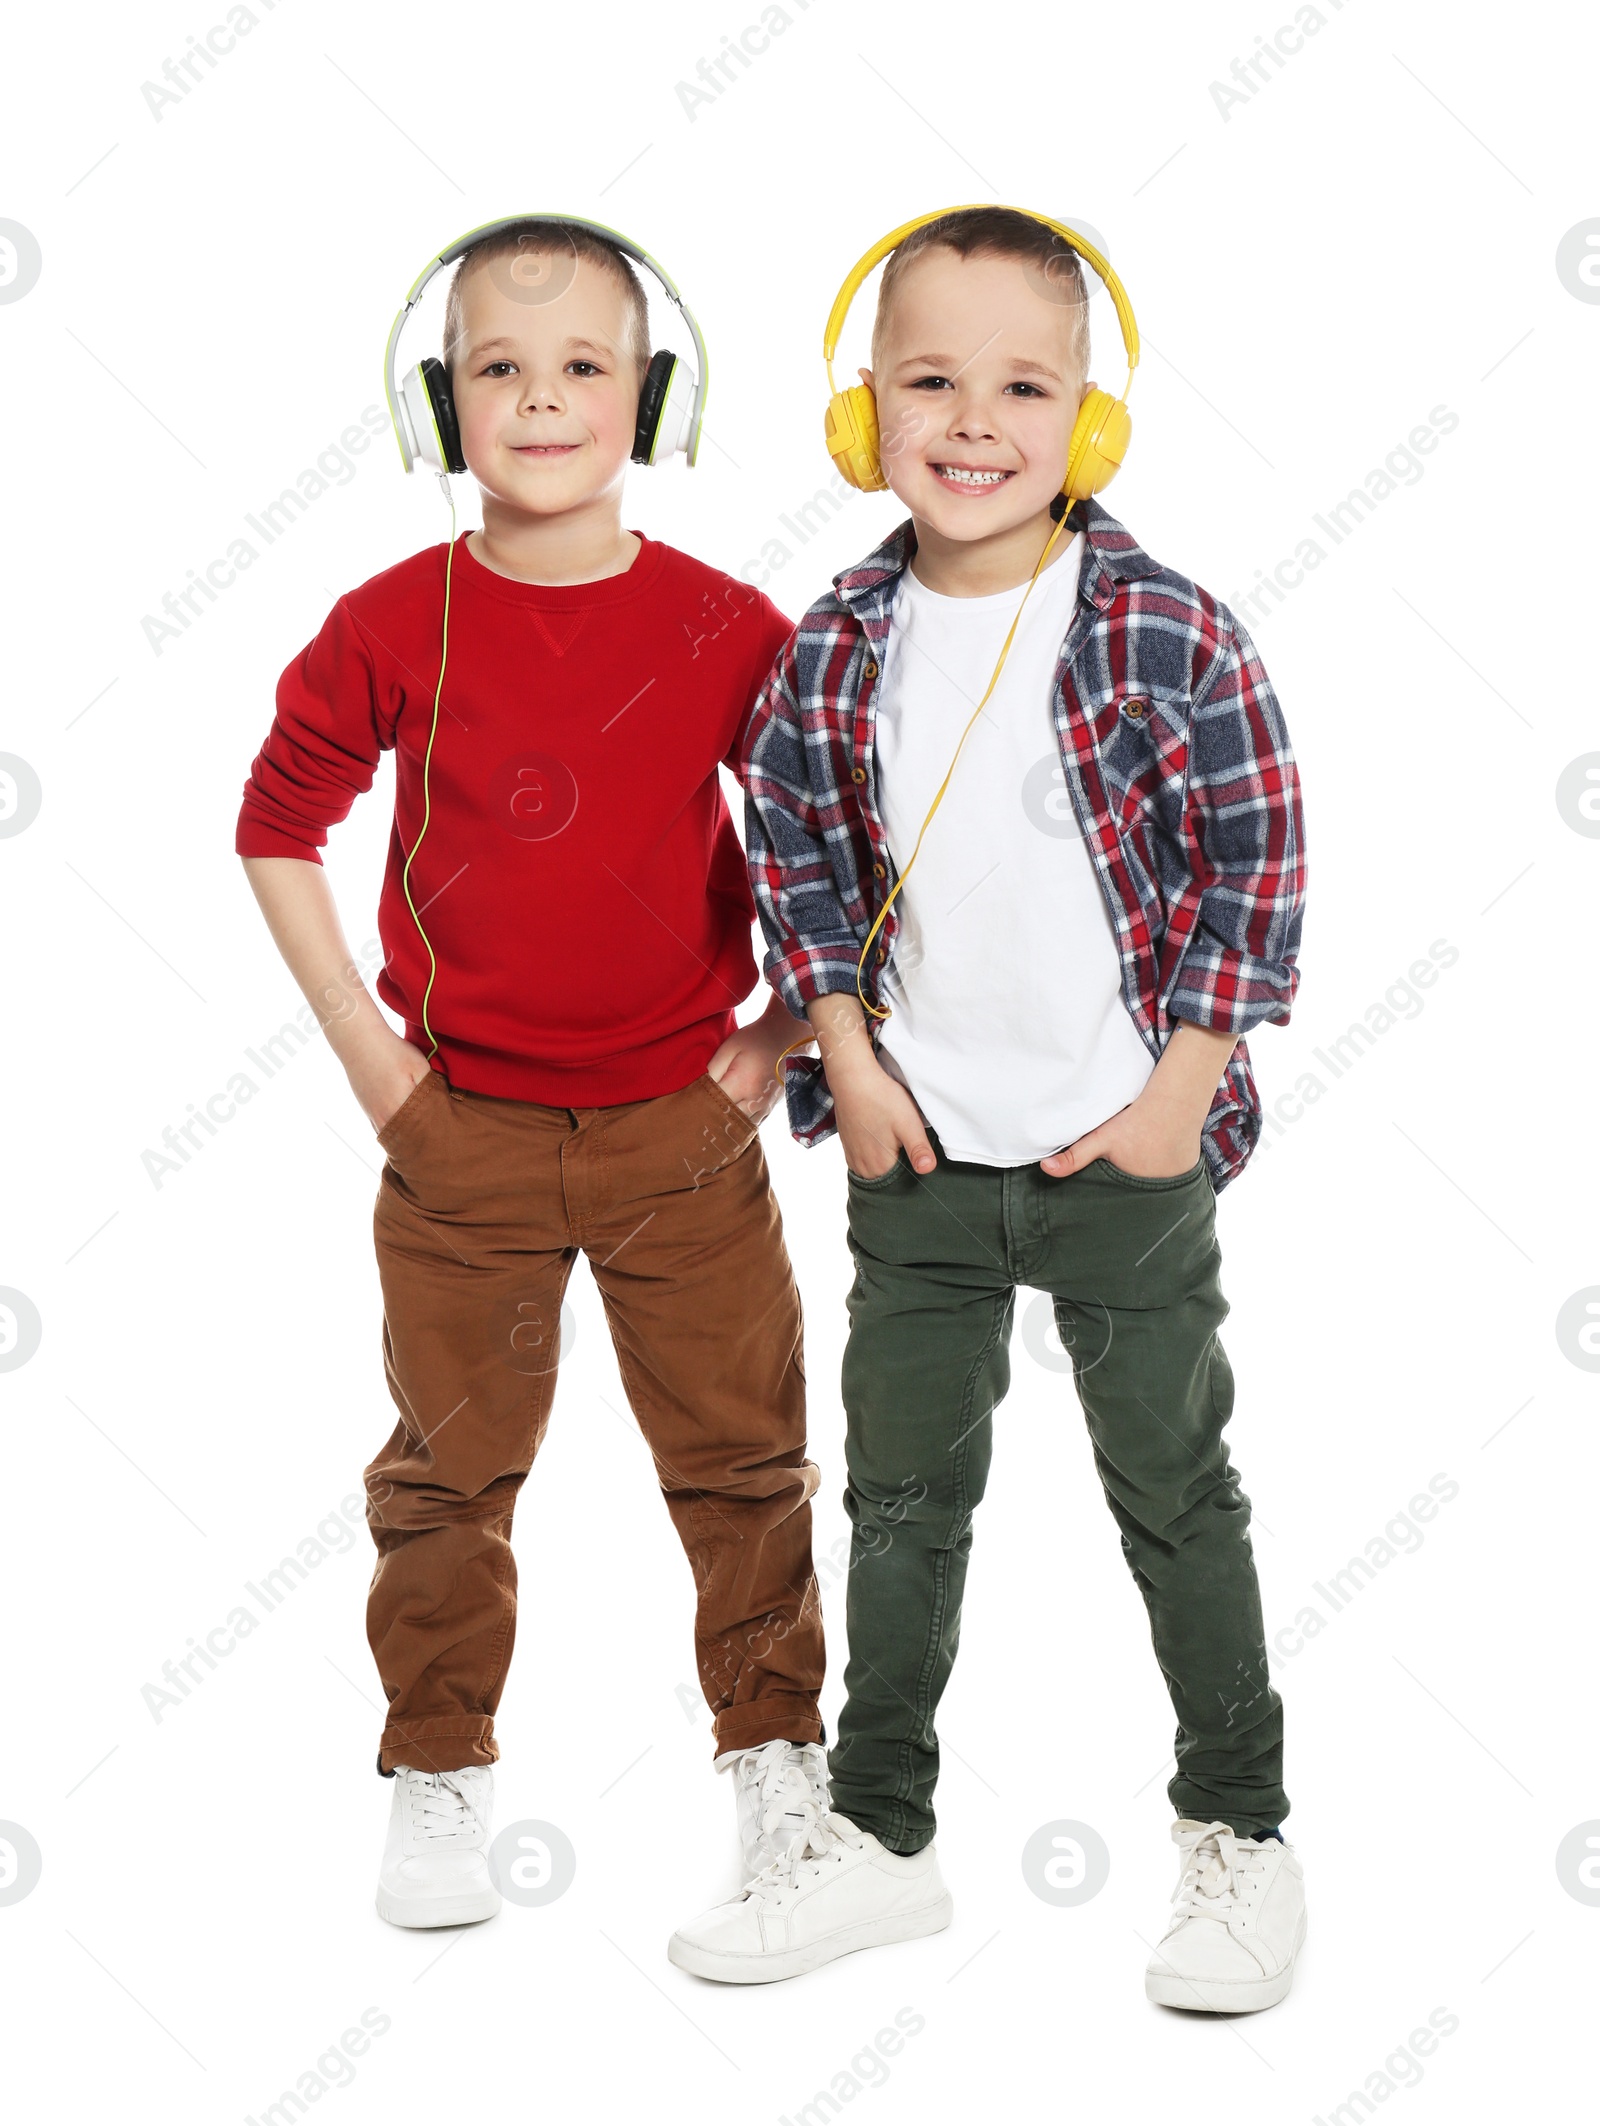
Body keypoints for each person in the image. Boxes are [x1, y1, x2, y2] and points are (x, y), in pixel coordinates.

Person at [668, 206, 1309, 2009]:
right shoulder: (838, 642)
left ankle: (1242, 1835)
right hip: (922, 1154)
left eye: (1023, 385)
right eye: (927, 377)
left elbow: (1259, 861)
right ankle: (880, 1836)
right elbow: (794, 857)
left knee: (1176, 1489)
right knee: (899, 1499)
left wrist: (1187, 1087)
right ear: (864, 411)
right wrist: (847, 1059)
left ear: (1087, 423)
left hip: (1126, 1152)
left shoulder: (1167, 631)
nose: (973, 419)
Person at [235, 215, 827, 1930]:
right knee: (444, 1471)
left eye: (584, 367)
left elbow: (840, 854)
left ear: (652, 398)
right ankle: (438, 1762)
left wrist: (772, 1040)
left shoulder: (730, 625)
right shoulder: (390, 619)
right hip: (460, 1136)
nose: (544, 397)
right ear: (443, 404)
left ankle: (776, 1757)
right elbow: (277, 825)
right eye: (501, 364)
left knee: (742, 1460)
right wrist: (378, 1070)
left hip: (683, 1136)